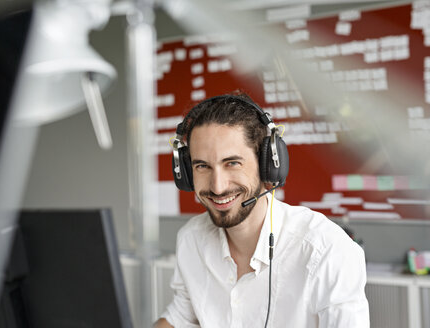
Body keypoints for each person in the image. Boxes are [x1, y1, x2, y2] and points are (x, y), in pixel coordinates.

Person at [155, 93, 369, 327]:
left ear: (268, 165)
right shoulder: (191, 239)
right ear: (185, 174)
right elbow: (180, 318)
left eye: (232, 163)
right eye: (202, 166)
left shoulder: (326, 249)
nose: (217, 186)